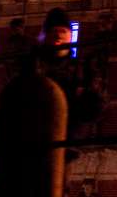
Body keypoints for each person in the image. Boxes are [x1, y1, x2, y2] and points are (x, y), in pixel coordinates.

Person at [33, 7, 105, 139]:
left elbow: (95, 109)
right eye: (54, 31)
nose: (59, 35)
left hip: (70, 138)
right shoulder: (32, 67)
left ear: (70, 36)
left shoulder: (81, 69)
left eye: (63, 31)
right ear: (46, 35)